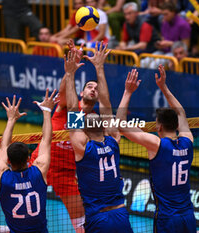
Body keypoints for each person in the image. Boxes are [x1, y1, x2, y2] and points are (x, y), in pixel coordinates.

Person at [29, 41, 111, 233]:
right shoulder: (67, 106)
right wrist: (70, 71)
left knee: (80, 220)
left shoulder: (95, 121)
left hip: (67, 173)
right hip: (42, 164)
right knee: (28, 211)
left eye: (96, 88)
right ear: (81, 92)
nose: (93, 89)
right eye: (89, 87)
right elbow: (64, 93)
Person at [116, 65, 196, 233]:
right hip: (188, 216)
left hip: (167, 218)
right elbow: (181, 113)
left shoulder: (156, 144)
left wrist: (128, 92)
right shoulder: (188, 141)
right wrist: (164, 87)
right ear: (176, 126)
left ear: (158, 127)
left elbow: (119, 124)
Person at [65, 45, 134, 233]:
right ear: (103, 126)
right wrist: (100, 67)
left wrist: (70, 74)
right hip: (121, 215)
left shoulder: (83, 147)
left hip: (98, 218)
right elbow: (105, 104)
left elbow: (72, 108)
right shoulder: (113, 140)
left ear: (84, 130)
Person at [0, 90, 57, 233]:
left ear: (8, 160)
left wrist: (11, 120)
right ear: (29, 158)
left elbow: (4, 146)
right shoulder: (38, 171)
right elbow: (46, 140)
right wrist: (47, 111)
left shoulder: (3, 177)